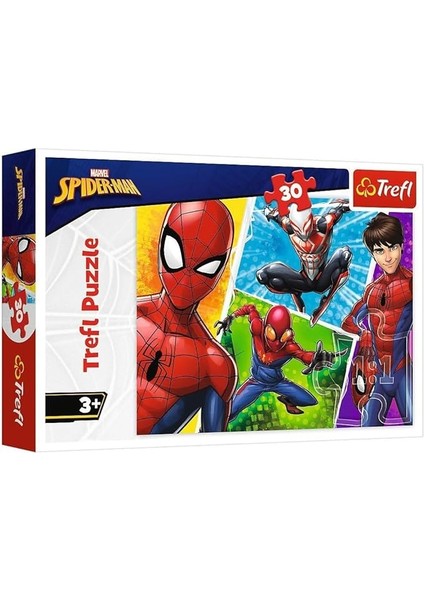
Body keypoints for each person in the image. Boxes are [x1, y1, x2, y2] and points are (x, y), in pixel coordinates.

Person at [341, 213, 412, 426]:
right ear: (373, 254)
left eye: (392, 248)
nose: (388, 257)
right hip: (377, 376)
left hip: (402, 373)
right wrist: (364, 333)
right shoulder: (372, 290)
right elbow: (348, 322)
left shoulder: (412, 284)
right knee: (368, 431)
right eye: (380, 251)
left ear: (401, 246)